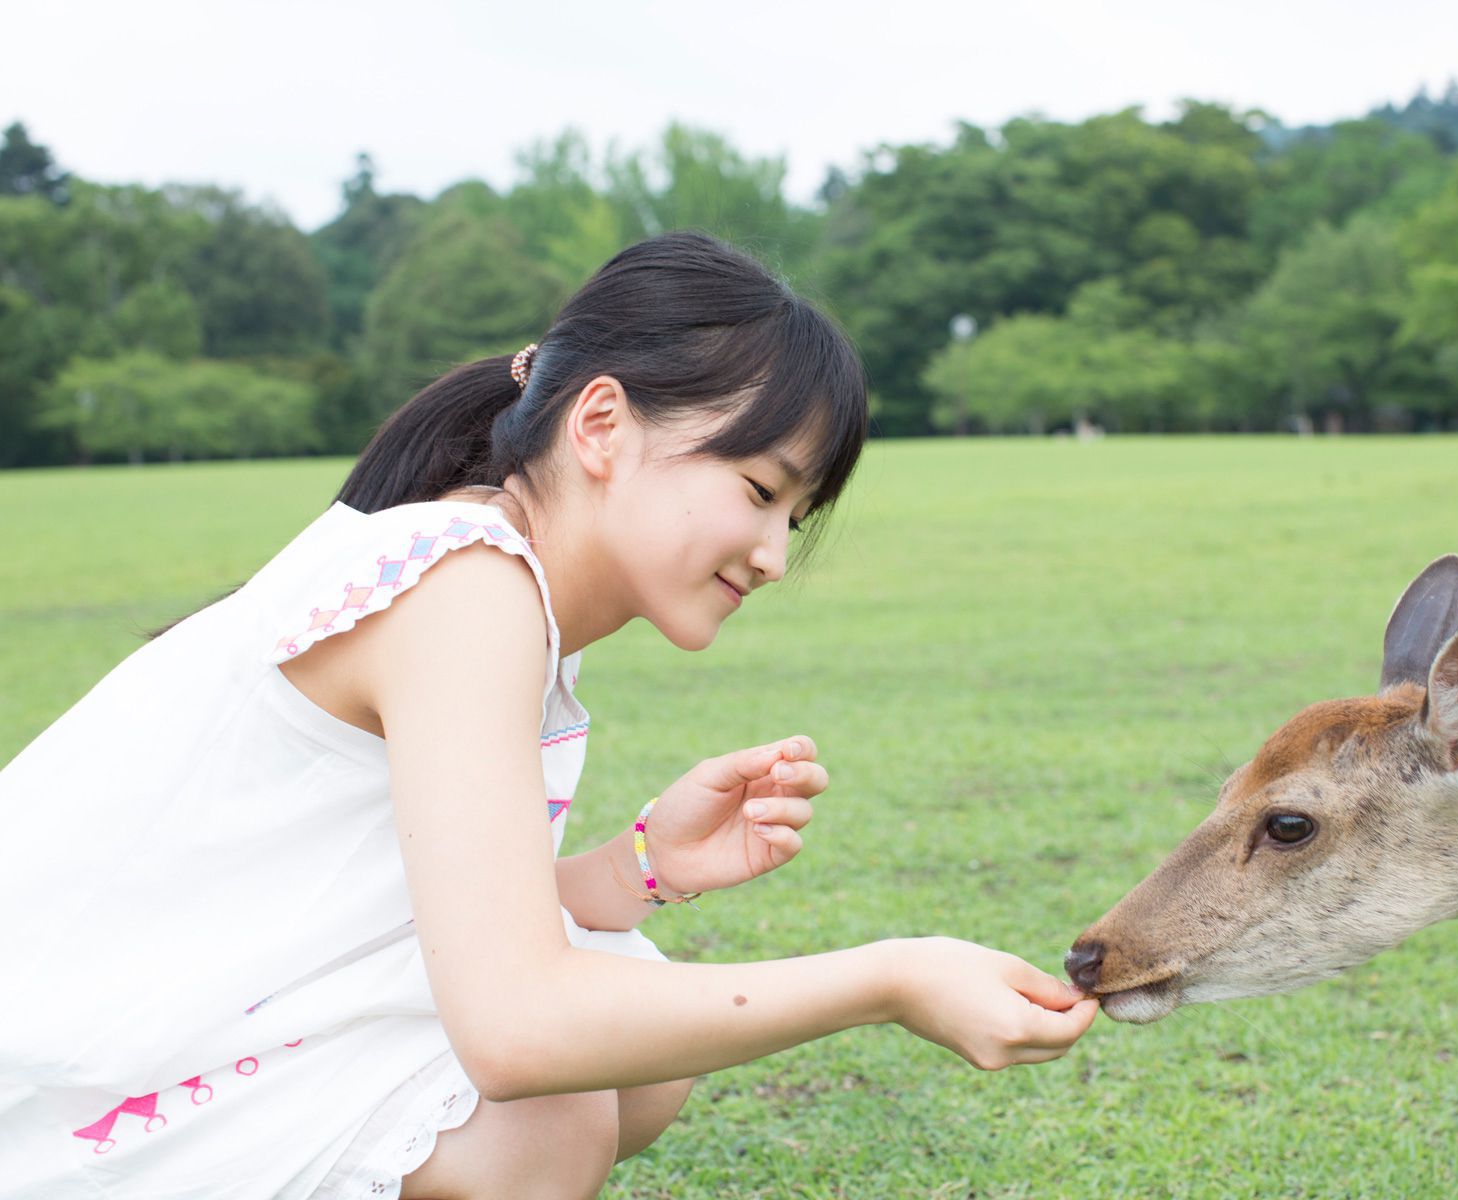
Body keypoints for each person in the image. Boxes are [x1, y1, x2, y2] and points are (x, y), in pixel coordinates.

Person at [0, 231, 1097, 1199]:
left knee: (635, 1019)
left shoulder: (469, 562)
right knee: (544, 1113)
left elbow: (366, 919)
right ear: (603, 423)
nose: (772, 556)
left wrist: (632, 873)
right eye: (761, 491)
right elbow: (515, 1027)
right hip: (55, 1099)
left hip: (150, 1033)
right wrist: (890, 976)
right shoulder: (466, 588)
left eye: (797, 519)